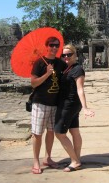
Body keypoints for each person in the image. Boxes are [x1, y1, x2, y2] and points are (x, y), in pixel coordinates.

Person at [54, 44, 95, 172]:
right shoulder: (67, 68)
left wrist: (86, 107)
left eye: (69, 54)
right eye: (64, 55)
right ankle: (77, 158)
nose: (66, 57)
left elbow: (80, 89)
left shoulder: (77, 69)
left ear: (75, 55)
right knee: (74, 131)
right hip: (70, 104)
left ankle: (75, 161)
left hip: (69, 105)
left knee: (59, 133)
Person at [30, 37, 67, 174]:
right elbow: (33, 83)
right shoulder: (39, 63)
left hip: (55, 104)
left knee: (51, 132)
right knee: (37, 133)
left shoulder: (60, 63)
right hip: (40, 103)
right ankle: (35, 161)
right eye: (51, 45)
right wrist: (47, 73)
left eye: (57, 45)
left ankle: (48, 158)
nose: (54, 48)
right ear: (47, 46)